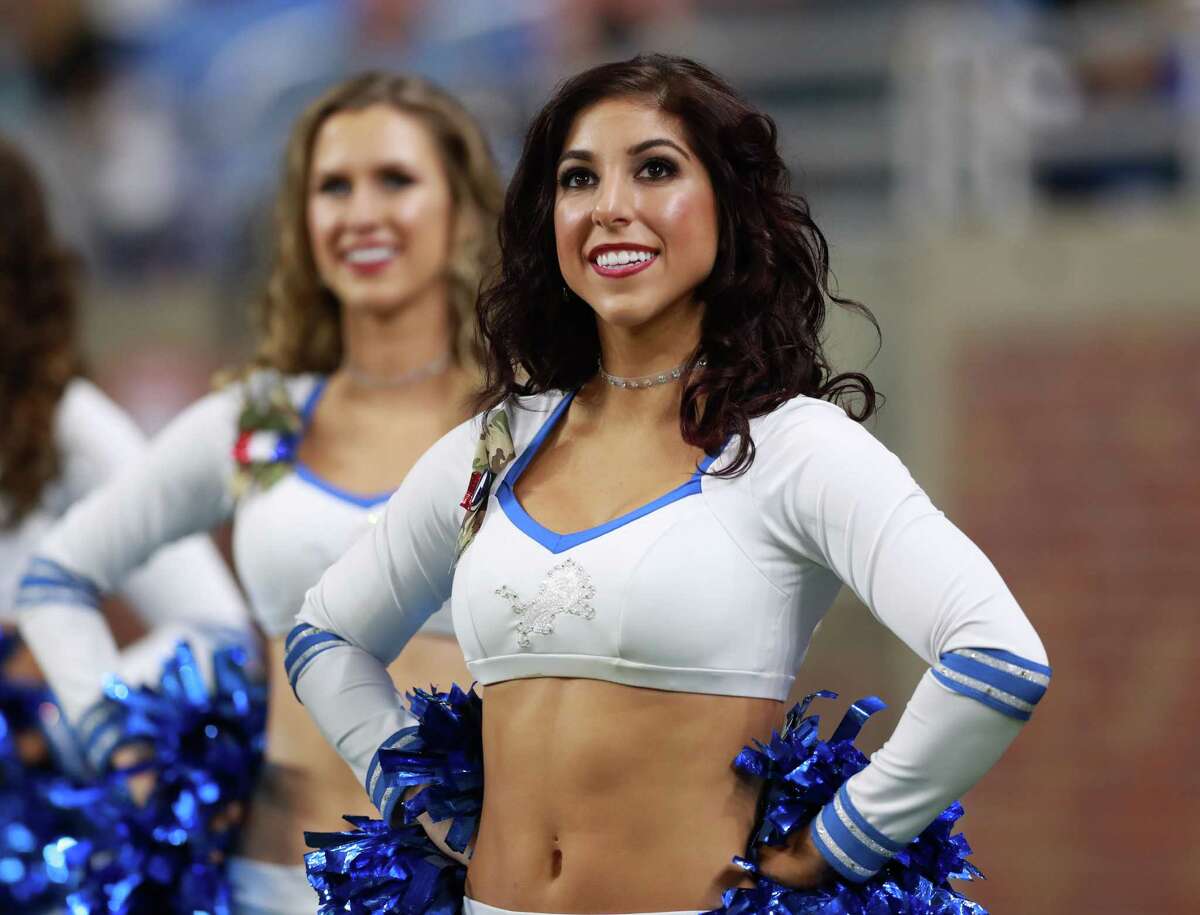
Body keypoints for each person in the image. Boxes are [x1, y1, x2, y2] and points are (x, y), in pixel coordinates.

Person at [288, 55, 1051, 914]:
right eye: (580, 178)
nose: (611, 205)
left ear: (729, 207)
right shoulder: (494, 444)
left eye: (655, 169)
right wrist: (416, 793)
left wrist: (845, 839)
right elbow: (325, 634)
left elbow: (997, 656)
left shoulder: (795, 448)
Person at [18, 72, 502, 914]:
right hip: (267, 880)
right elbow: (55, 576)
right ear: (303, 220)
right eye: (332, 186)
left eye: (395, 179)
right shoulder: (266, 417)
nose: (361, 212)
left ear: (462, 210)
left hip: (475, 885)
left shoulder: (521, 420)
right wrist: (115, 741)